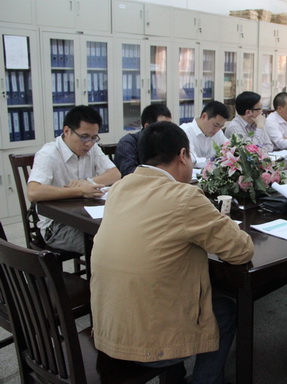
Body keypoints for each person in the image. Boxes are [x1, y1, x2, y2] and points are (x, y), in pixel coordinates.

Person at [90, 121, 254, 384]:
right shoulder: (184, 196)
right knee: (224, 309)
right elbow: (241, 251)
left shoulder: (120, 187)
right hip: (150, 344)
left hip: (108, 330)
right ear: (182, 155)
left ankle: (175, 376)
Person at [27, 105, 120, 253]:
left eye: (94, 138)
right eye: (84, 137)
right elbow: (33, 192)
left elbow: (115, 174)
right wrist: (80, 191)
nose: (89, 143)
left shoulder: (93, 148)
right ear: (67, 131)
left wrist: (88, 182)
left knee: (122, 235)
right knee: (109, 248)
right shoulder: (48, 154)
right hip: (57, 226)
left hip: (86, 217)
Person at [114, 104, 172, 176]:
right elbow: (129, 173)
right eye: (162, 126)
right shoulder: (128, 143)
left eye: (170, 126)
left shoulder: (169, 142)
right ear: (147, 127)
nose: (168, 131)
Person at [180, 101, 229, 168]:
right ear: (204, 116)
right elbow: (190, 159)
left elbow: (228, 147)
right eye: (215, 125)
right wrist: (213, 162)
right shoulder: (185, 131)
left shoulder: (218, 132)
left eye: (220, 127)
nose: (217, 130)